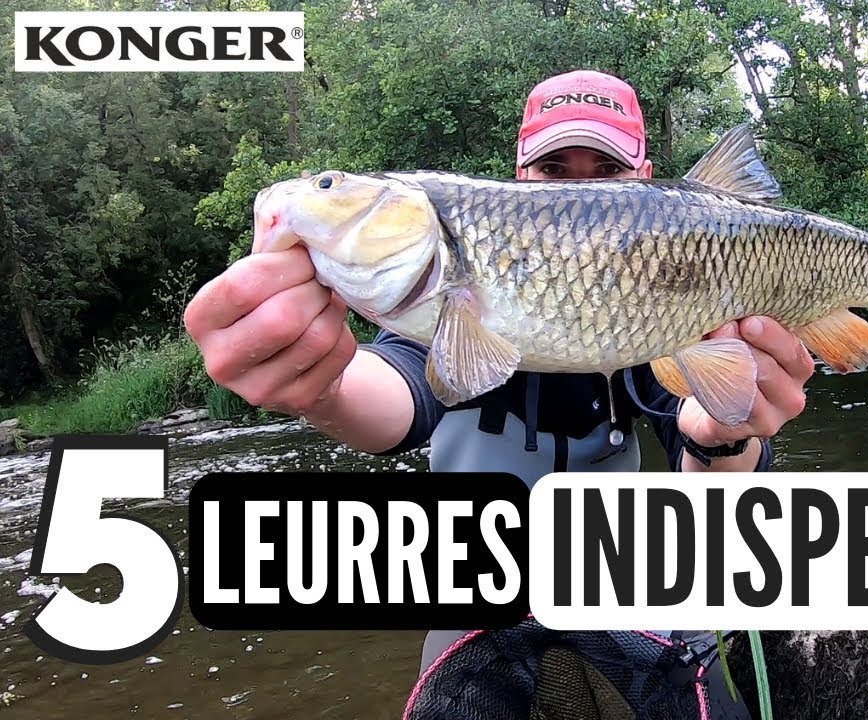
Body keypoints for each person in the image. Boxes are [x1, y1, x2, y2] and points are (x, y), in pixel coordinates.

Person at [184, 69, 813, 716]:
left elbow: (711, 500)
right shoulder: (439, 296)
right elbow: (382, 395)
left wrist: (724, 433)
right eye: (555, 168)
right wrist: (318, 384)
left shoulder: (658, 299)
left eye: (605, 167)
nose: (583, 187)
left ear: (648, 178)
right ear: (519, 174)